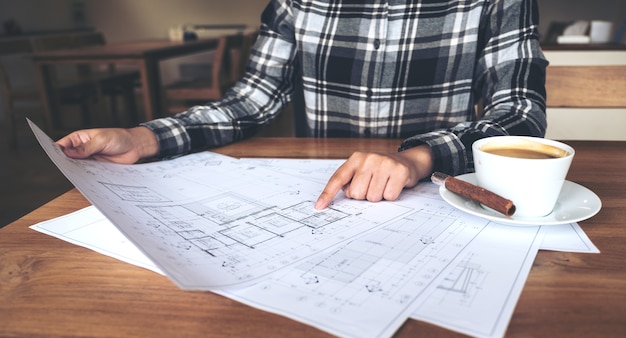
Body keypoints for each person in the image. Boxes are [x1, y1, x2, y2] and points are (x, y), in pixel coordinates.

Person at [56, 0, 547, 210]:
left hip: (438, 189)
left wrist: (416, 157)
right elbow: (251, 100)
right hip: (324, 197)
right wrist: (142, 138)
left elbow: (521, 113)